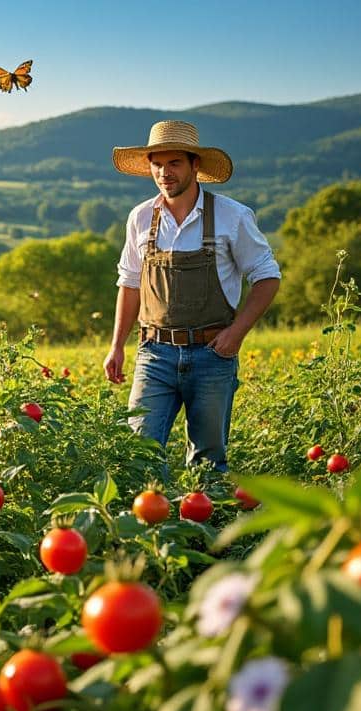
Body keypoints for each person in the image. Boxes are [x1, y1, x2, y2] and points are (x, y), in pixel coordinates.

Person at [102, 120, 281, 473]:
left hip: (212, 354)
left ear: (195, 164)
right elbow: (130, 283)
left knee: (208, 463)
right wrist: (116, 346)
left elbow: (267, 277)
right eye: (157, 164)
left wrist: (236, 334)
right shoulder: (140, 217)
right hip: (154, 352)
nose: (164, 173)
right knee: (138, 455)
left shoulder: (232, 216)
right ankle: (152, 509)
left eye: (174, 163)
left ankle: (206, 510)